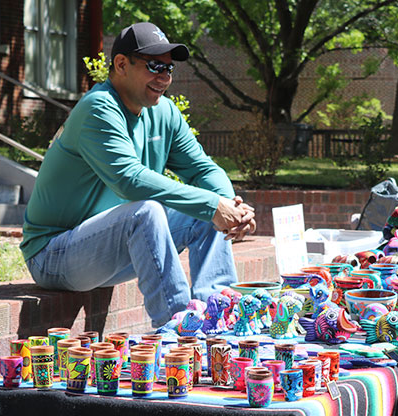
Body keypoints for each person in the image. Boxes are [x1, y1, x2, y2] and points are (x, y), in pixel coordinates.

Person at [20, 22, 256, 328]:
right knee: (149, 212)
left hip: (110, 248)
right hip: (54, 254)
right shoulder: (99, 108)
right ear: (121, 64)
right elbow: (129, 180)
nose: (164, 77)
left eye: (169, 69)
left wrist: (231, 209)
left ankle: (219, 316)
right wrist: (213, 206)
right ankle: (178, 330)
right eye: (155, 66)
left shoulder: (164, 112)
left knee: (206, 208)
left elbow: (202, 169)